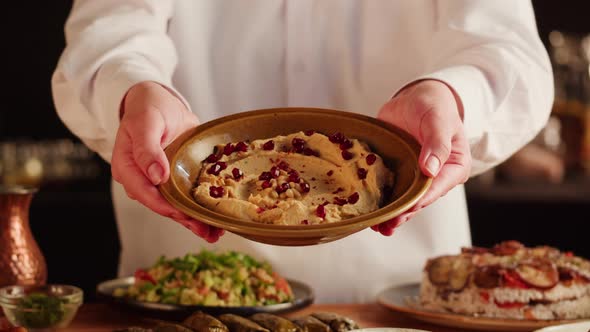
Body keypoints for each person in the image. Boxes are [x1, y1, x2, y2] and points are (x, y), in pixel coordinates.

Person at [52, 1, 553, 303]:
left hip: (400, 299)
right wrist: (133, 90)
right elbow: (105, 34)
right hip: (186, 286)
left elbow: (511, 52)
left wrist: (450, 95)